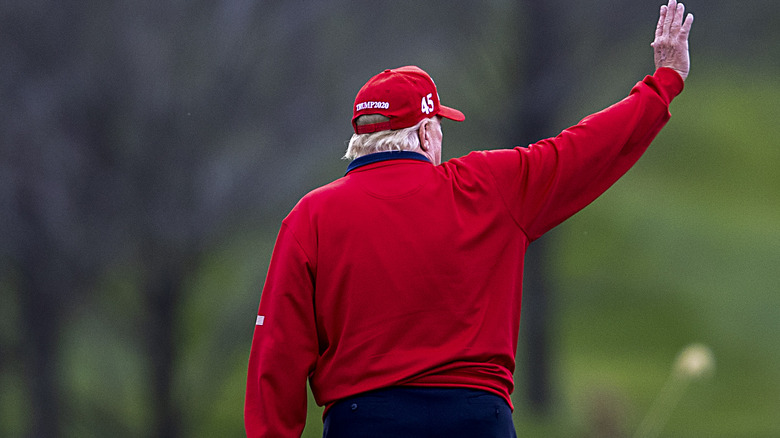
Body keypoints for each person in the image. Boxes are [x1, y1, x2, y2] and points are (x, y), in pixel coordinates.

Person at [245, 1, 694, 436]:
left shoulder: (311, 218)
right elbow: (584, 149)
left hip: (364, 421)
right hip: (475, 420)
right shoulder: (488, 186)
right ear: (424, 132)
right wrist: (664, 82)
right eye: (439, 125)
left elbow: (276, 355)